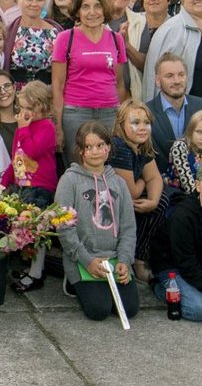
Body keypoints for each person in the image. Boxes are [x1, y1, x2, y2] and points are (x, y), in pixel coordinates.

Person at [54, 120, 139, 322]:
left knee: (129, 309)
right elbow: (64, 227)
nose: (95, 151)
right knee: (99, 310)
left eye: (100, 145)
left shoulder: (118, 182)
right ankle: (71, 279)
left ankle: (113, 279)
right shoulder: (69, 181)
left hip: (114, 257)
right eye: (88, 147)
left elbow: (128, 227)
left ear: (108, 147)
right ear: (81, 151)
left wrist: (125, 260)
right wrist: (87, 260)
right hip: (85, 259)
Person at [52, 0, 128, 163]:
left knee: (107, 166)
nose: (92, 12)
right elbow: (57, 85)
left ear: (105, 8)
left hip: (109, 113)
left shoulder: (117, 40)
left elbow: (119, 83)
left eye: (97, 6)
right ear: (77, 10)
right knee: (77, 167)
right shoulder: (65, 38)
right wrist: (58, 126)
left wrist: (120, 120)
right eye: (85, 6)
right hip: (75, 113)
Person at [0, 81, 58, 293]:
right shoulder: (22, 130)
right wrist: (4, 181)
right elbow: (17, 159)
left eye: (30, 108)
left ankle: (36, 272)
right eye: (22, 108)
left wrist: (23, 130)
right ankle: (30, 267)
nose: (25, 113)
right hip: (21, 185)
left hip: (40, 187)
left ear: (44, 106)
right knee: (22, 230)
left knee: (37, 231)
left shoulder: (47, 128)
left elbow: (32, 151)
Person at [150, 155, 202, 321]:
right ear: (198, 185)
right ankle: (160, 288)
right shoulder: (183, 216)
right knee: (199, 309)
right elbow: (186, 264)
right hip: (176, 268)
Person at [109, 99, 168, 281]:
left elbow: (155, 178)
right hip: (109, 202)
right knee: (150, 203)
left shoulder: (142, 145)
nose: (142, 127)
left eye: (146, 123)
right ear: (121, 125)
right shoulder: (120, 147)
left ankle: (139, 257)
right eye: (135, 123)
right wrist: (143, 179)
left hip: (128, 196)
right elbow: (132, 192)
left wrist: (152, 201)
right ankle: (134, 258)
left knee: (162, 201)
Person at [146, 52, 202, 176]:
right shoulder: (146, 113)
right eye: (169, 76)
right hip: (163, 188)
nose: (177, 81)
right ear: (157, 81)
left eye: (181, 75)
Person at [4, 0, 60, 86]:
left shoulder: (55, 32)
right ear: (19, 0)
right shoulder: (10, 31)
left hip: (45, 93)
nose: (34, 4)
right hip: (15, 93)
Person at [164, 110, 202, 195]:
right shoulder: (180, 147)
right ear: (191, 131)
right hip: (178, 193)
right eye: (199, 132)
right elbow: (187, 185)